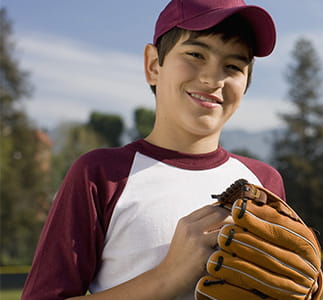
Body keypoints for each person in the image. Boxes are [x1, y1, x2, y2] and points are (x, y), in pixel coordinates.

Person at [21, 0, 281, 299]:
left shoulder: (264, 182)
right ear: (153, 65)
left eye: (233, 66)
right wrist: (168, 276)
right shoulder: (101, 174)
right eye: (196, 54)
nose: (212, 79)